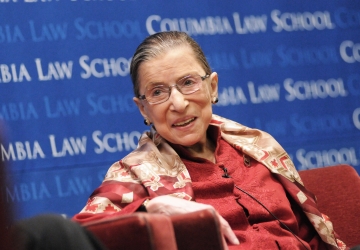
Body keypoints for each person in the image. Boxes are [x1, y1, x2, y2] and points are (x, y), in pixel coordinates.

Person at [73, 31, 347, 250]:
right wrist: (149, 209)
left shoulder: (258, 145)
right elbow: (78, 235)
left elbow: (312, 234)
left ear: (212, 86)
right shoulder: (133, 174)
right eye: (158, 92)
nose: (178, 104)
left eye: (188, 82)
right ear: (143, 109)